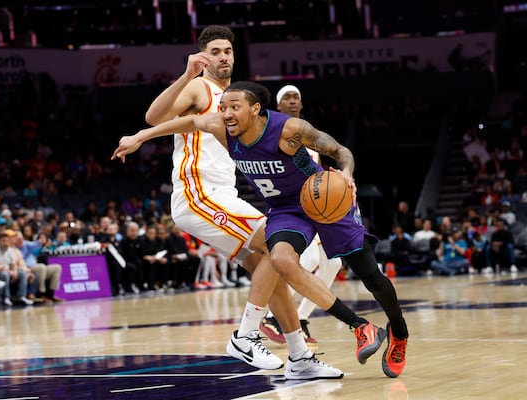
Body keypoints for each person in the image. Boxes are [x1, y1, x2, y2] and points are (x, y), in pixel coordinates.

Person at [113, 80, 409, 378]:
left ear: (256, 109)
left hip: (323, 199)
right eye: (223, 107)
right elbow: (189, 120)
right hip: (285, 209)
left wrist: (346, 175)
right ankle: (360, 327)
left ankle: (399, 332)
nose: (226, 113)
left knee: (372, 277)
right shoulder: (222, 128)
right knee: (279, 258)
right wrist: (142, 136)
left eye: (234, 107)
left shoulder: (289, 130)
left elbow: (339, 150)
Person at [115, 25, 354, 380]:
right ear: (202, 55)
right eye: (215, 51)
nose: (223, 56)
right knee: (281, 247)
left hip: (224, 193)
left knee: (269, 269)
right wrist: (184, 77)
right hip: (199, 193)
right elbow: (154, 117)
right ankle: (245, 336)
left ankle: (299, 356)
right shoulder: (199, 86)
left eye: (228, 50)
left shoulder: (234, 98)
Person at [261, 84, 343, 344]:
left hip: (314, 207)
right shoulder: (275, 132)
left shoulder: (308, 134)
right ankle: (265, 314)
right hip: (291, 209)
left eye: (296, 97)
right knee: (304, 263)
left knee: (333, 263)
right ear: (278, 106)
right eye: (287, 97)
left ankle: (301, 318)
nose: (293, 101)